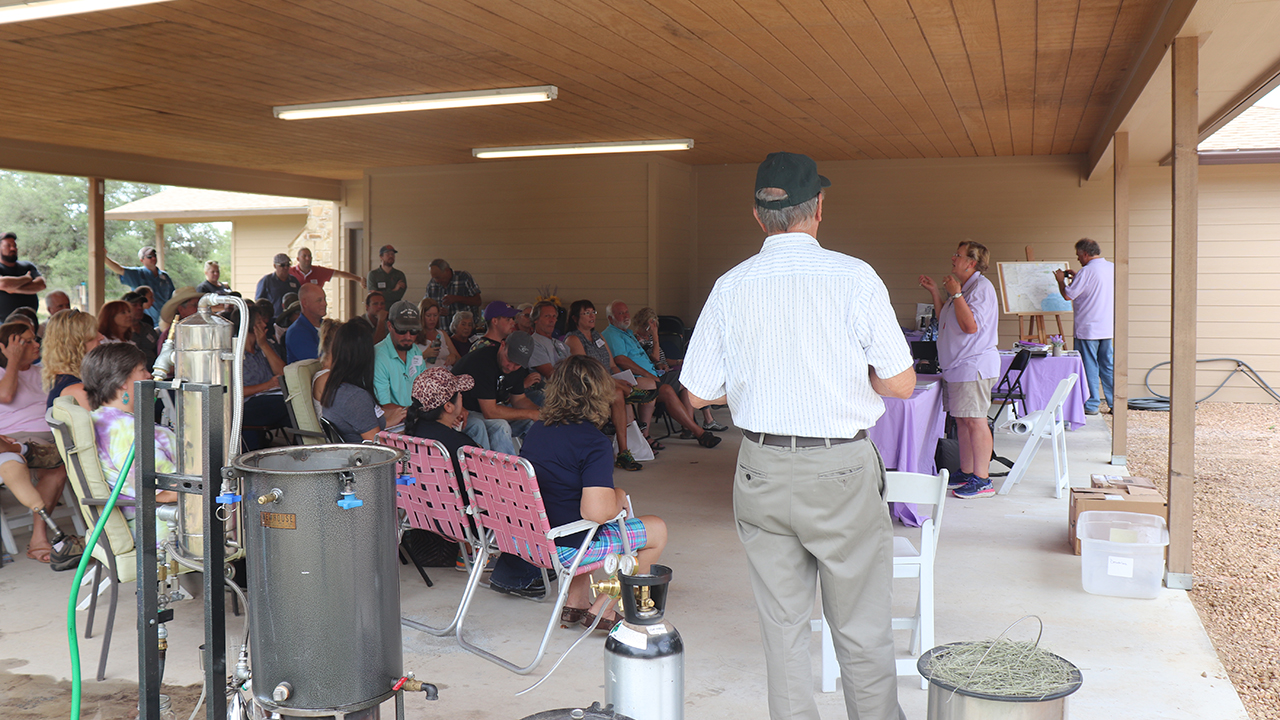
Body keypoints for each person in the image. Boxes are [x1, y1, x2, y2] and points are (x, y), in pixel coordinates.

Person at [682, 152, 914, 720]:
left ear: (757, 215)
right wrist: (845, 377)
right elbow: (902, 383)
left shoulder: (730, 286)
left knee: (782, 632)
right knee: (860, 627)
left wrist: (755, 384)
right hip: (839, 469)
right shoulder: (854, 277)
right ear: (819, 209)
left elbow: (696, 395)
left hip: (759, 466)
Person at [520, 355, 668, 628]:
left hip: (532, 541)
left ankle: (575, 602)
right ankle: (603, 608)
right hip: (565, 547)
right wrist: (618, 495)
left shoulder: (537, 430)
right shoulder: (594, 442)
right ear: (599, 394)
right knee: (657, 530)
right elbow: (596, 513)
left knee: (571, 511)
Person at [920, 240, 1000, 499]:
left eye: (958, 255)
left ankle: (983, 480)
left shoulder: (981, 288)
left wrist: (956, 294)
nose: (953, 258)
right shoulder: (964, 288)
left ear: (971, 263)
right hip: (957, 366)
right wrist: (936, 292)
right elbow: (947, 319)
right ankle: (967, 472)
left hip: (972, 365)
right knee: (963, 421)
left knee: (976, 421)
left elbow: (970, 326)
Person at [81, 343, 179, 537]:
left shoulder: (103, 419)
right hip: (167, 530)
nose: (148, 375)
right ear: (121, 382)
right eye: (142, 370)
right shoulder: (125, 431)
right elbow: (167, 492)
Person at [0, 320, 76, 565]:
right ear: (7, 348)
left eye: (35, 339)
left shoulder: (41, 371)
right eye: (26, 341)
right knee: (57, 465)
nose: (36, 344)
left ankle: (38, 538)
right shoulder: (3, 372)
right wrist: (12, 361)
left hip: (53, 434)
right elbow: (5, 395)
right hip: (17, 433)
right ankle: (40, 537)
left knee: (59, 468)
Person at [602, 300, 720, 449]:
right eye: (621, 313)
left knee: (685, 381)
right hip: (636, 379)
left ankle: (691, 429)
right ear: (610, 318)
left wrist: (657, 366)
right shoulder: (612, 334)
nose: (626, 316)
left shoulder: (628, 333)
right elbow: (621, 360)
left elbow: (649, 357)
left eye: (626, 312)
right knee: (667, 390)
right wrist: (648, 374)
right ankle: (697, 432)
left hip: (654, 373)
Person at [563, 299, 652, 469]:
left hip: (608, 384)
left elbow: (612, 365)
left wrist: (622, 378)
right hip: (586, 386)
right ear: (575, 318)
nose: (592, 316)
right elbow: (587, 372)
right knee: (618, 391)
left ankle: (624, 452)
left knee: (618, 393)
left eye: (593, 312)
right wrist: (616, 382)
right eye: (586, 313)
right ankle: (630, 392)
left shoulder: (598, 336)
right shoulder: (573, 339)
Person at [631, 305, 726, 432]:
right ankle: (697, 423)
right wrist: (655, 336)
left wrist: (678, 362)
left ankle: (692, 425)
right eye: (651, 325)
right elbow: (655, 358)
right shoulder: (639, 340)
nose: (654, 327)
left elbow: (663, 359)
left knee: (690, 380)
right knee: (688, 380)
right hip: (656, 376)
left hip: (667, 370)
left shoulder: (650, 338)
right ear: (644, 325)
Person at [450, 329, 539, 456]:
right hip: (460, 411)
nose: (511, 367)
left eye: (517, 364)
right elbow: (490, 412)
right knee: (500, 426)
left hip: (482, 412)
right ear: (502, 345)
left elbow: (519, 399)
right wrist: (531, 413)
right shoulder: (483, 362)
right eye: (509, 359)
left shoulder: (517, 368)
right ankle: (502, 468)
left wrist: (541, 413)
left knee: (531, 422)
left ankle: (536, 464)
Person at [1055, 238, 1115, 415]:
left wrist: (1061, 281)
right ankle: (1115, 403)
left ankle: (1091, 404)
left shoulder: (1086, 271)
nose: (1078, 259)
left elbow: (1068, 295)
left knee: (1089, 366)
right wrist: (1077, 277)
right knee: (1107, 365)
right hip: (1107, 327)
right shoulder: (1112, 268)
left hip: (1088, 328)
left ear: (1086, 254)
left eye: (1079, 255)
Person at [320, 320, 402, 442]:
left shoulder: (335, 389)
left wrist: (400, 414)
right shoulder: (355, 397)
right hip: (368, 453)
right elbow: (378, 447)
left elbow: (367, 417)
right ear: (366, 355)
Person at [404, 367, 474, 478]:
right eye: (459, 392)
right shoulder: (461, 446)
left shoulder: (412, 433)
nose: (461, 395)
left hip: (418, 489)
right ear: (448, 407)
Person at [239, 304, 290, 451]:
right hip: (246, 405)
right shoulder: (234, 354)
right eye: (259, 322)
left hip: (271, 398)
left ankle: (306, 445)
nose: (264, 324)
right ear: (249, 326)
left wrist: (263, 345)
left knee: (297, 404)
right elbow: (232, 392)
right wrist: (267, 385)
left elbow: (283, 372)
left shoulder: (264, 347)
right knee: (290, 405)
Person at [373, 301, 431, 430]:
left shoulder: (415, 350)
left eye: (414, 331)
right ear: (389, 326)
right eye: (402, 330)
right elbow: (383, 406)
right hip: (393, 425)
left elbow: (425, 390)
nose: (408, 336)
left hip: (416, 418)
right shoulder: (378, 356)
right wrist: (417, 413)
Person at [42, 308, 102, 410]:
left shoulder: (62, 380)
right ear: (76, 343)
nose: (101, 337)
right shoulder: (77, 391)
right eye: (94, 333)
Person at [104, 246, 174, 325]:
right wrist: (105, 258)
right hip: (145, 322)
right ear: (142, 260)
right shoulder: (138, 274)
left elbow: (173, 297)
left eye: (154, 255)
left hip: (165, 321)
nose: (153, 258)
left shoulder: (165, 276)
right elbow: (119, 269)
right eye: (149, 256)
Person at [0, 232, 47, 321]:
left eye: (14, 245)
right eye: (8, 246)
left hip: (30, 321)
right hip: (3, 323)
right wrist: (27, 278)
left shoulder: (27, 266)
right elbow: (3, 284)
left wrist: (13, 289)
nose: (13, 248)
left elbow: (41, 284)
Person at [424, 258, 482, 328]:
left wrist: (457, 298)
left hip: (465, 330)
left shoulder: (463, 277)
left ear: (447, 271)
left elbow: (478, 301)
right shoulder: (432, 284)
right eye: (434, 278)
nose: (436, 281)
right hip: (442, 329)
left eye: (438, 277)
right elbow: (425, 306)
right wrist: (437, 311)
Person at [290, 246, 366, 290]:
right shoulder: (290, 272)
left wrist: (359, 279)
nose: (308, 258)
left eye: (309, 256)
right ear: (298, 259)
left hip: (315, 308)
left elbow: (340, 274)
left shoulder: (319, 271)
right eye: (304, 256)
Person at [285, 284, 326, 364]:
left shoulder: (328, 326)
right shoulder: (297, 332)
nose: (325, 304)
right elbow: (317, 363)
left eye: (324, 299)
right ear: (305, 303)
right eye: (319, 300)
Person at [528, 301, 570, 380]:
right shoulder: (533, 343)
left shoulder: (560, 344)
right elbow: (551, 375)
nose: (552, 320)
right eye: (547, 316)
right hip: (551, 386)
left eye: (554, 316)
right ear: (536, 319)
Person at [415, 297, 460, 368]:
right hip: (426, 372)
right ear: (421, 316)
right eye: (428, 315)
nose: (432, 319)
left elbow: (460, 360)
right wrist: (424, 355)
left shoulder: (442, 334)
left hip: (446, 371)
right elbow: (407, 363)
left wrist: (453, 356)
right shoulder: (413, 336)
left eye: (435, 315)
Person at [123, 291, 160, 369]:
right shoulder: (120, 330)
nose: (140, 308)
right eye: (134, 305)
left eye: (141, 305)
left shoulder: (148, 328)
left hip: (154, 370)